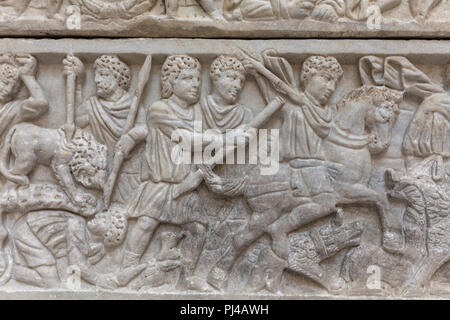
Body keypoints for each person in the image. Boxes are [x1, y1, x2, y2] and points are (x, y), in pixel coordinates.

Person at [113, 55, 218, 291]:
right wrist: (221, 138)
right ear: (170, 83)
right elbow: (186, 136)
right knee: (146, 224)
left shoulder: (197, 112)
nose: (196, 84)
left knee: (198, 229)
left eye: (197, 79)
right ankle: (126, 268)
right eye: (187, 78)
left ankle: (188, 275)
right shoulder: (158, 108)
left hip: (185, 182)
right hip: (160, 182)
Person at [63, 55, 143, 205]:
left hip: (128, 167)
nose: (97, 80)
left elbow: (144, 128)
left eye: (104, 75)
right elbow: (75, 123)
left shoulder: (132, 103)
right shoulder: (92, 105)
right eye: (96, 76)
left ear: (118, 78)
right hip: (101, 168)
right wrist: (79, 83)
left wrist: (131, 137)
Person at [0, 53, 49, 140]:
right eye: (5, 82)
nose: (9, 90)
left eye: (15, 87)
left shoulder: (11, 110)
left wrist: (28, 77)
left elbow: (40, 104)